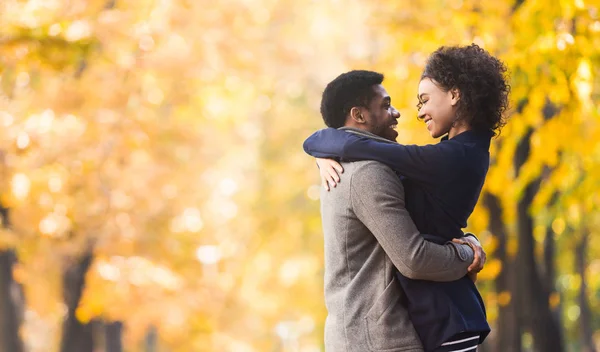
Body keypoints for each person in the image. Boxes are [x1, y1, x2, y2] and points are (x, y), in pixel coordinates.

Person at [304, 44, 510, 351]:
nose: (405, 112)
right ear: (358, 115)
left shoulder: (453, 157)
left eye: (425, 100)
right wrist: (468, 252)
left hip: (438, 317)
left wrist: (319, 146)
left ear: (455, 95)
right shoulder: (366, 174)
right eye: (387, 105)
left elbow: (364, 148)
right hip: (385, 335)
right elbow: (415, 257)